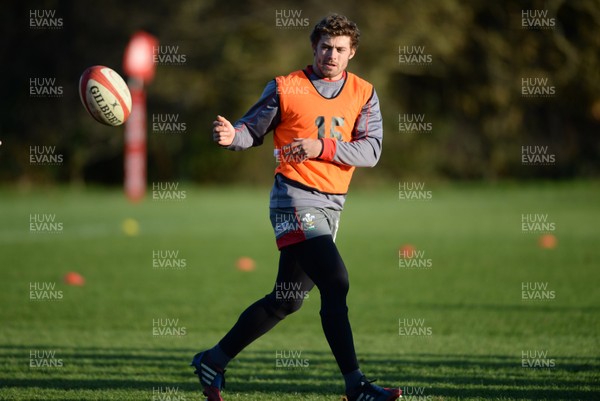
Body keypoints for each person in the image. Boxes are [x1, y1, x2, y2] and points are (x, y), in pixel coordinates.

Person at [191, 14, 401, 401]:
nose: (331, 55)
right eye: (325, 47)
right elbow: (249, 131)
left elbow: (371, 150)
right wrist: (228, 136)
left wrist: (320, 147)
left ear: (352, 52)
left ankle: (213, 360)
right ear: (314, 48)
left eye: (340, 49)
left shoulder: (364, 93)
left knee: (287, 299)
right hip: (293, 198)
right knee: (336, 282)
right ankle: (355, 386)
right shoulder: (286, 87)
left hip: (331, 205)